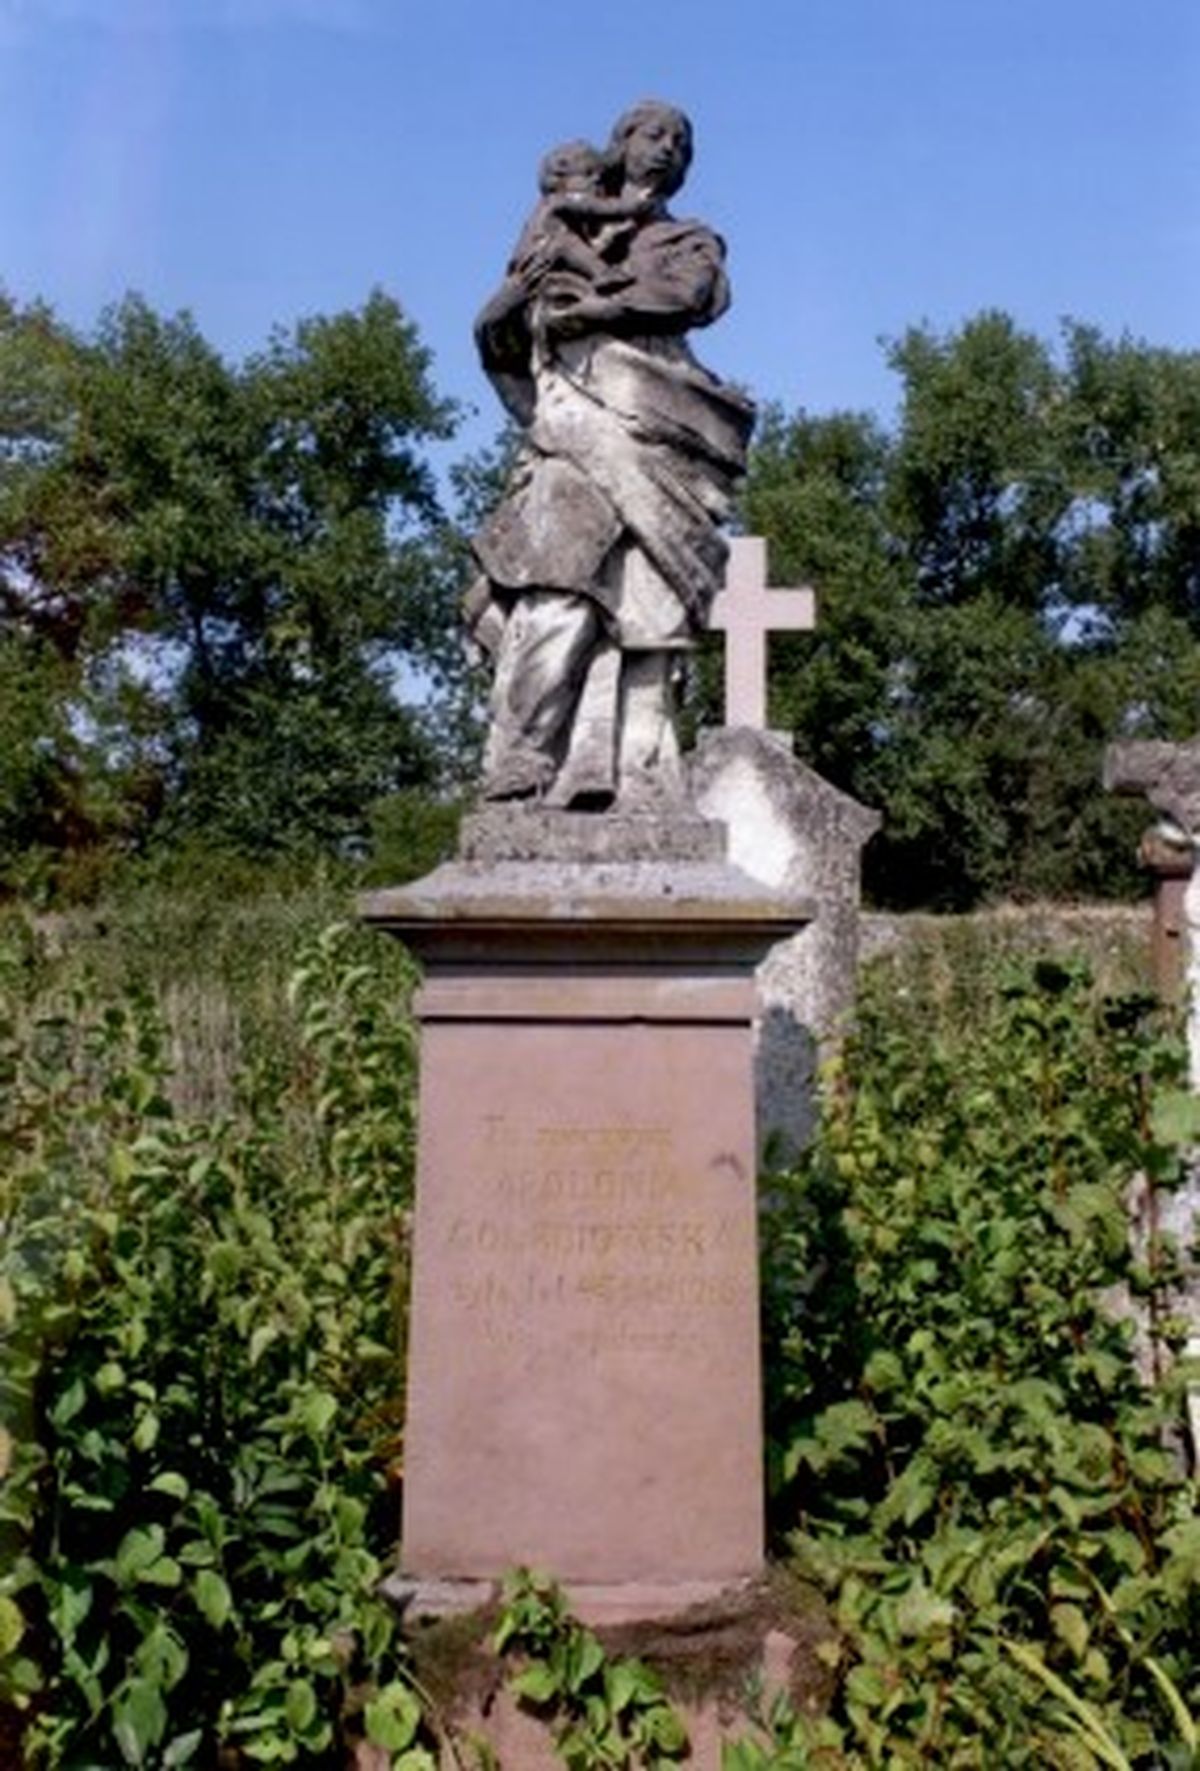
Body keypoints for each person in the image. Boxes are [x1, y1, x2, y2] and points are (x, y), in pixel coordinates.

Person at [468, 100, 755, 808]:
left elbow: (688, 294)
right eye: (651, 134)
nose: (666, 149)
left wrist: (597, 307)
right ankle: (524, 760)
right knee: (556, 580)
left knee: (647, 604)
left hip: (656, 432)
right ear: (619, 143)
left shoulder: (688, 240)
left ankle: (632, 772)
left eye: (680, 142)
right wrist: (514, 307)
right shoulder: (560, 224)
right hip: (573, 428)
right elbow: (507, 329)